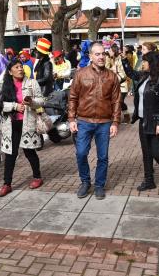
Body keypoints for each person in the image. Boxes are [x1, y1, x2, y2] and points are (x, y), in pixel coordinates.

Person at [68, 42, 121, 200]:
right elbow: (72, 97)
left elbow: (117, 101)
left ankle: (99, 185)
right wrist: (71, 118)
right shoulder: (81, 74)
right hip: (84, 120)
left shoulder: (111, 76)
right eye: (97, 54)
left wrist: (115, 122)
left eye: (103, 54)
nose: (101, 57)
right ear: (90, 56)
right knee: (81, 153)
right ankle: (85, 182)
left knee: (103, 156)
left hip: (104, 122)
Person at [123, 51, 159, 191]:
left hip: (157, 122)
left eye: (145, 61)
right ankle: (149, 181)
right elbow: (131, 74)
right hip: (144, 121)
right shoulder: (144, 76)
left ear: (151, 63)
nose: (143, 64)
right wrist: (124, 60)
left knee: (157, 153)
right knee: (146, 153)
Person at [0, 58, 45, 197]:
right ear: (10, 71)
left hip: (27, 123)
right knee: (10, 155)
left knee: (30, 152)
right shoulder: (5, 85)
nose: (20, 69)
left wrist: (32, 102)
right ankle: (7, 184)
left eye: (21, 66)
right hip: (10, 124)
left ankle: (37, 177)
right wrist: (14, 106)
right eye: (17, 67)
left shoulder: (31, 83)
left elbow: (41, 100)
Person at [106, 44, 129, 123]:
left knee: (120, 101)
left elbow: (124, 74)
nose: (108, 51)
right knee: (113, 101)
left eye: (110, 50)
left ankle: (124, 116)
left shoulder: (120, 60)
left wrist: (116, 76)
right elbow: (106, 69)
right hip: (112, 85)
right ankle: (115, 118)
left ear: (114, 51)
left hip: (122, 85)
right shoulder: (109, 58)